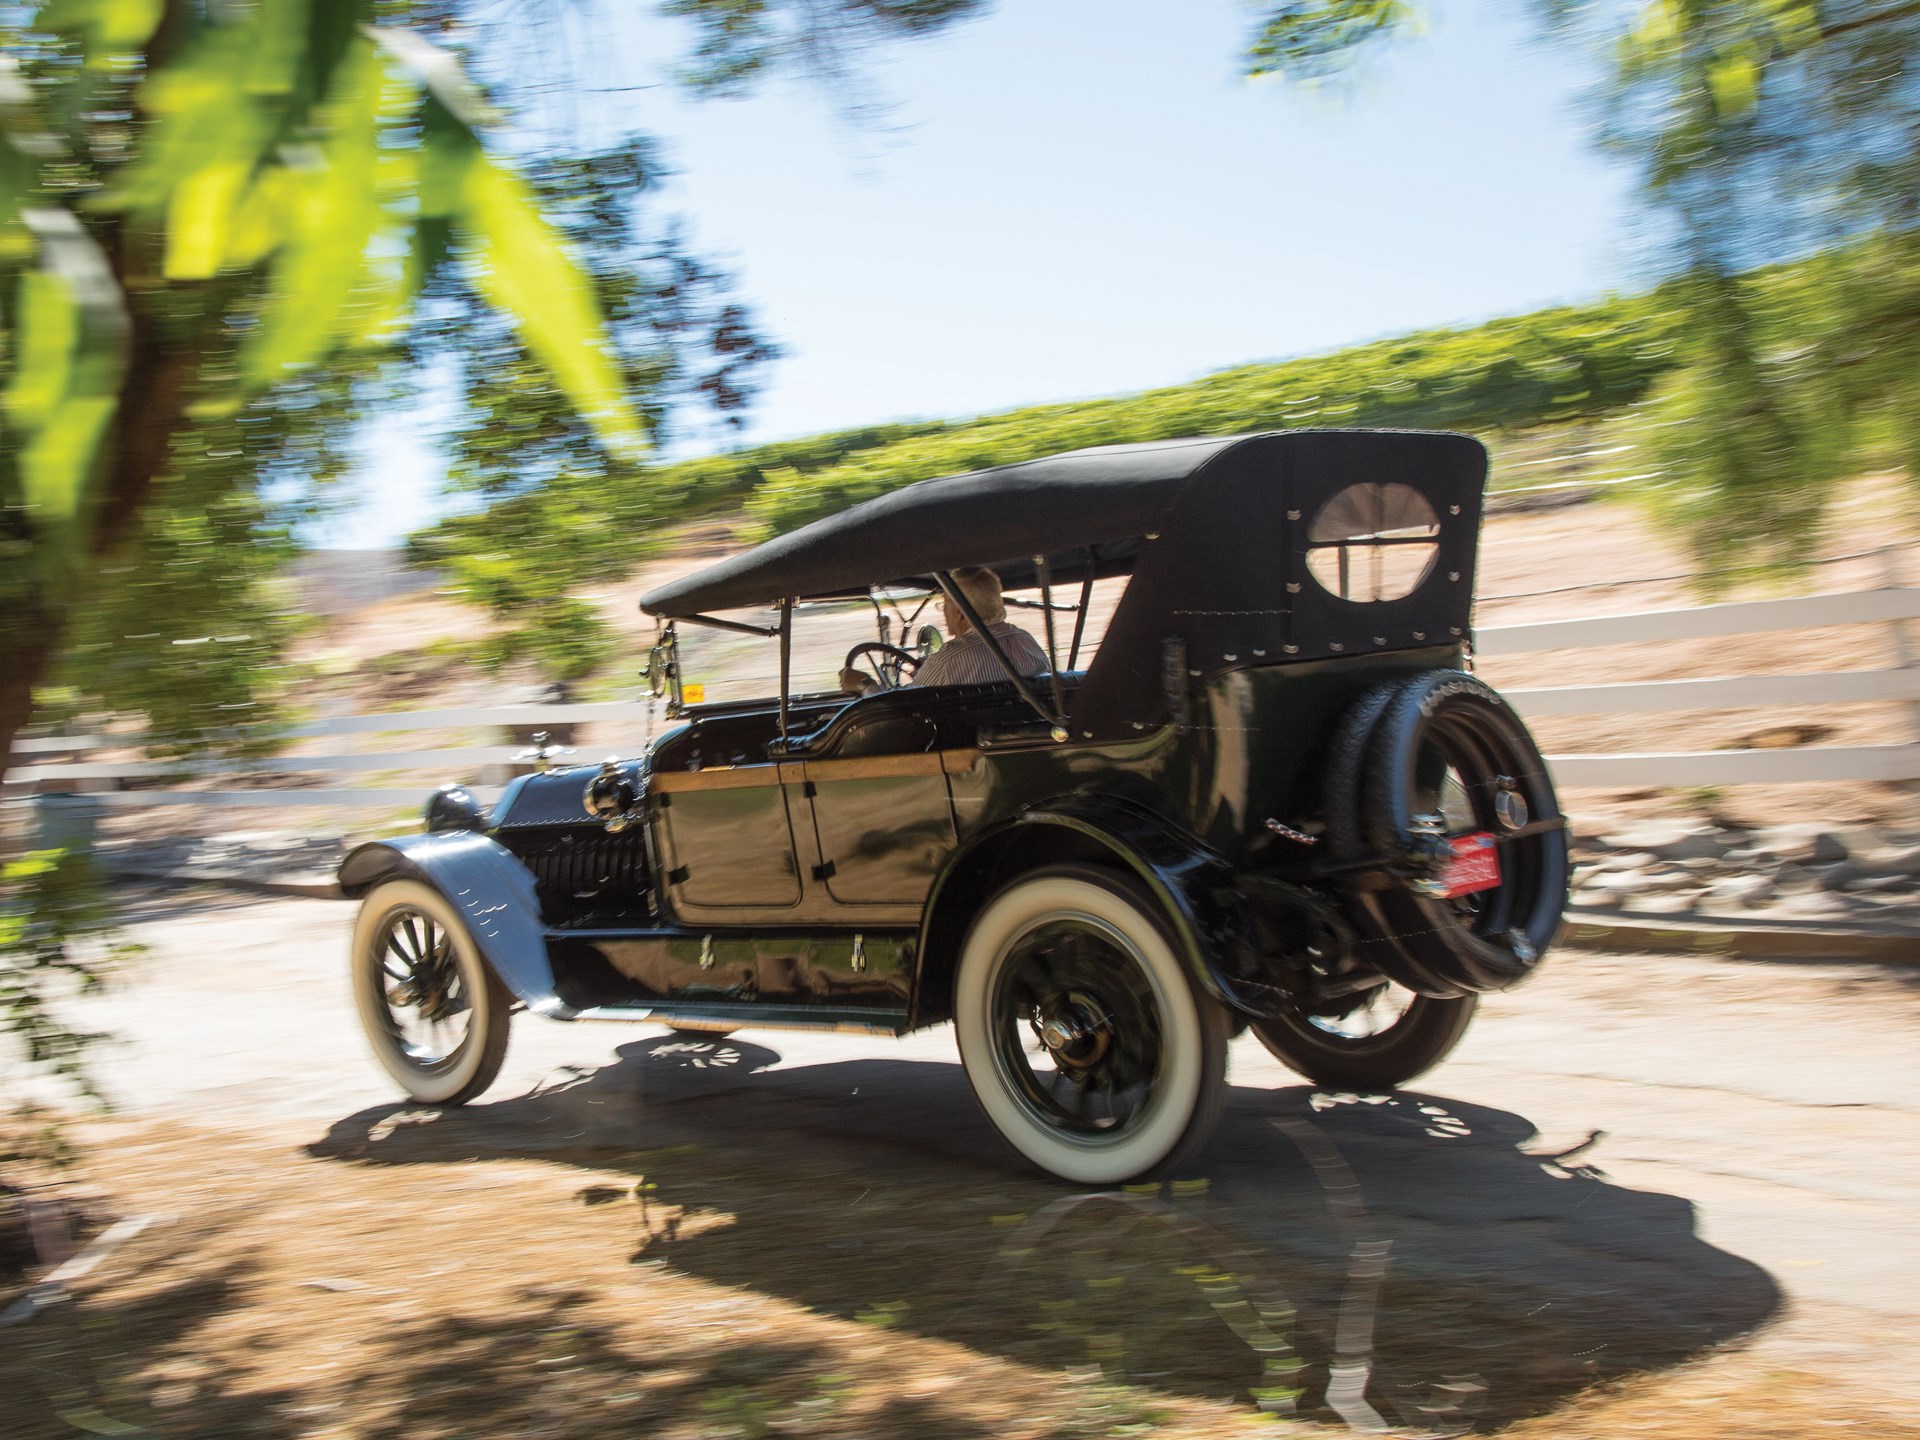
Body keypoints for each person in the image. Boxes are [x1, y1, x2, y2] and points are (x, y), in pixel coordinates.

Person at [839, 566, 1050, 695]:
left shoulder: (948, 660)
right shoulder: (1026, 641)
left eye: (944, 604)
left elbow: (901, 715)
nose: (943, 612)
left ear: (959, 613)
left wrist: (865, 684)